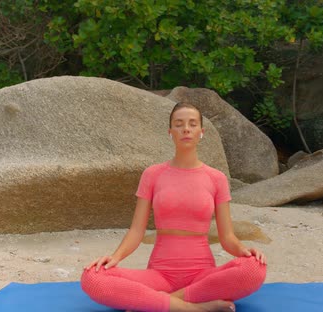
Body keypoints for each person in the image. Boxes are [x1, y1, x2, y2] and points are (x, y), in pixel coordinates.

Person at [81, 102, 267, 312]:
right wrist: (114, 258)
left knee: (254, 268)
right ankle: (196, 308)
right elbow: (136, 231)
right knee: (92, 277)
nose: (186, 129)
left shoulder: (216, 178)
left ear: (201, 132)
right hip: (159, 275)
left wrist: (244, 250)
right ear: (170, 132)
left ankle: (159, 302)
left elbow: (227, 238)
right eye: (179, 124)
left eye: (192, 124)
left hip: (202, 277)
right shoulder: (152, 175)